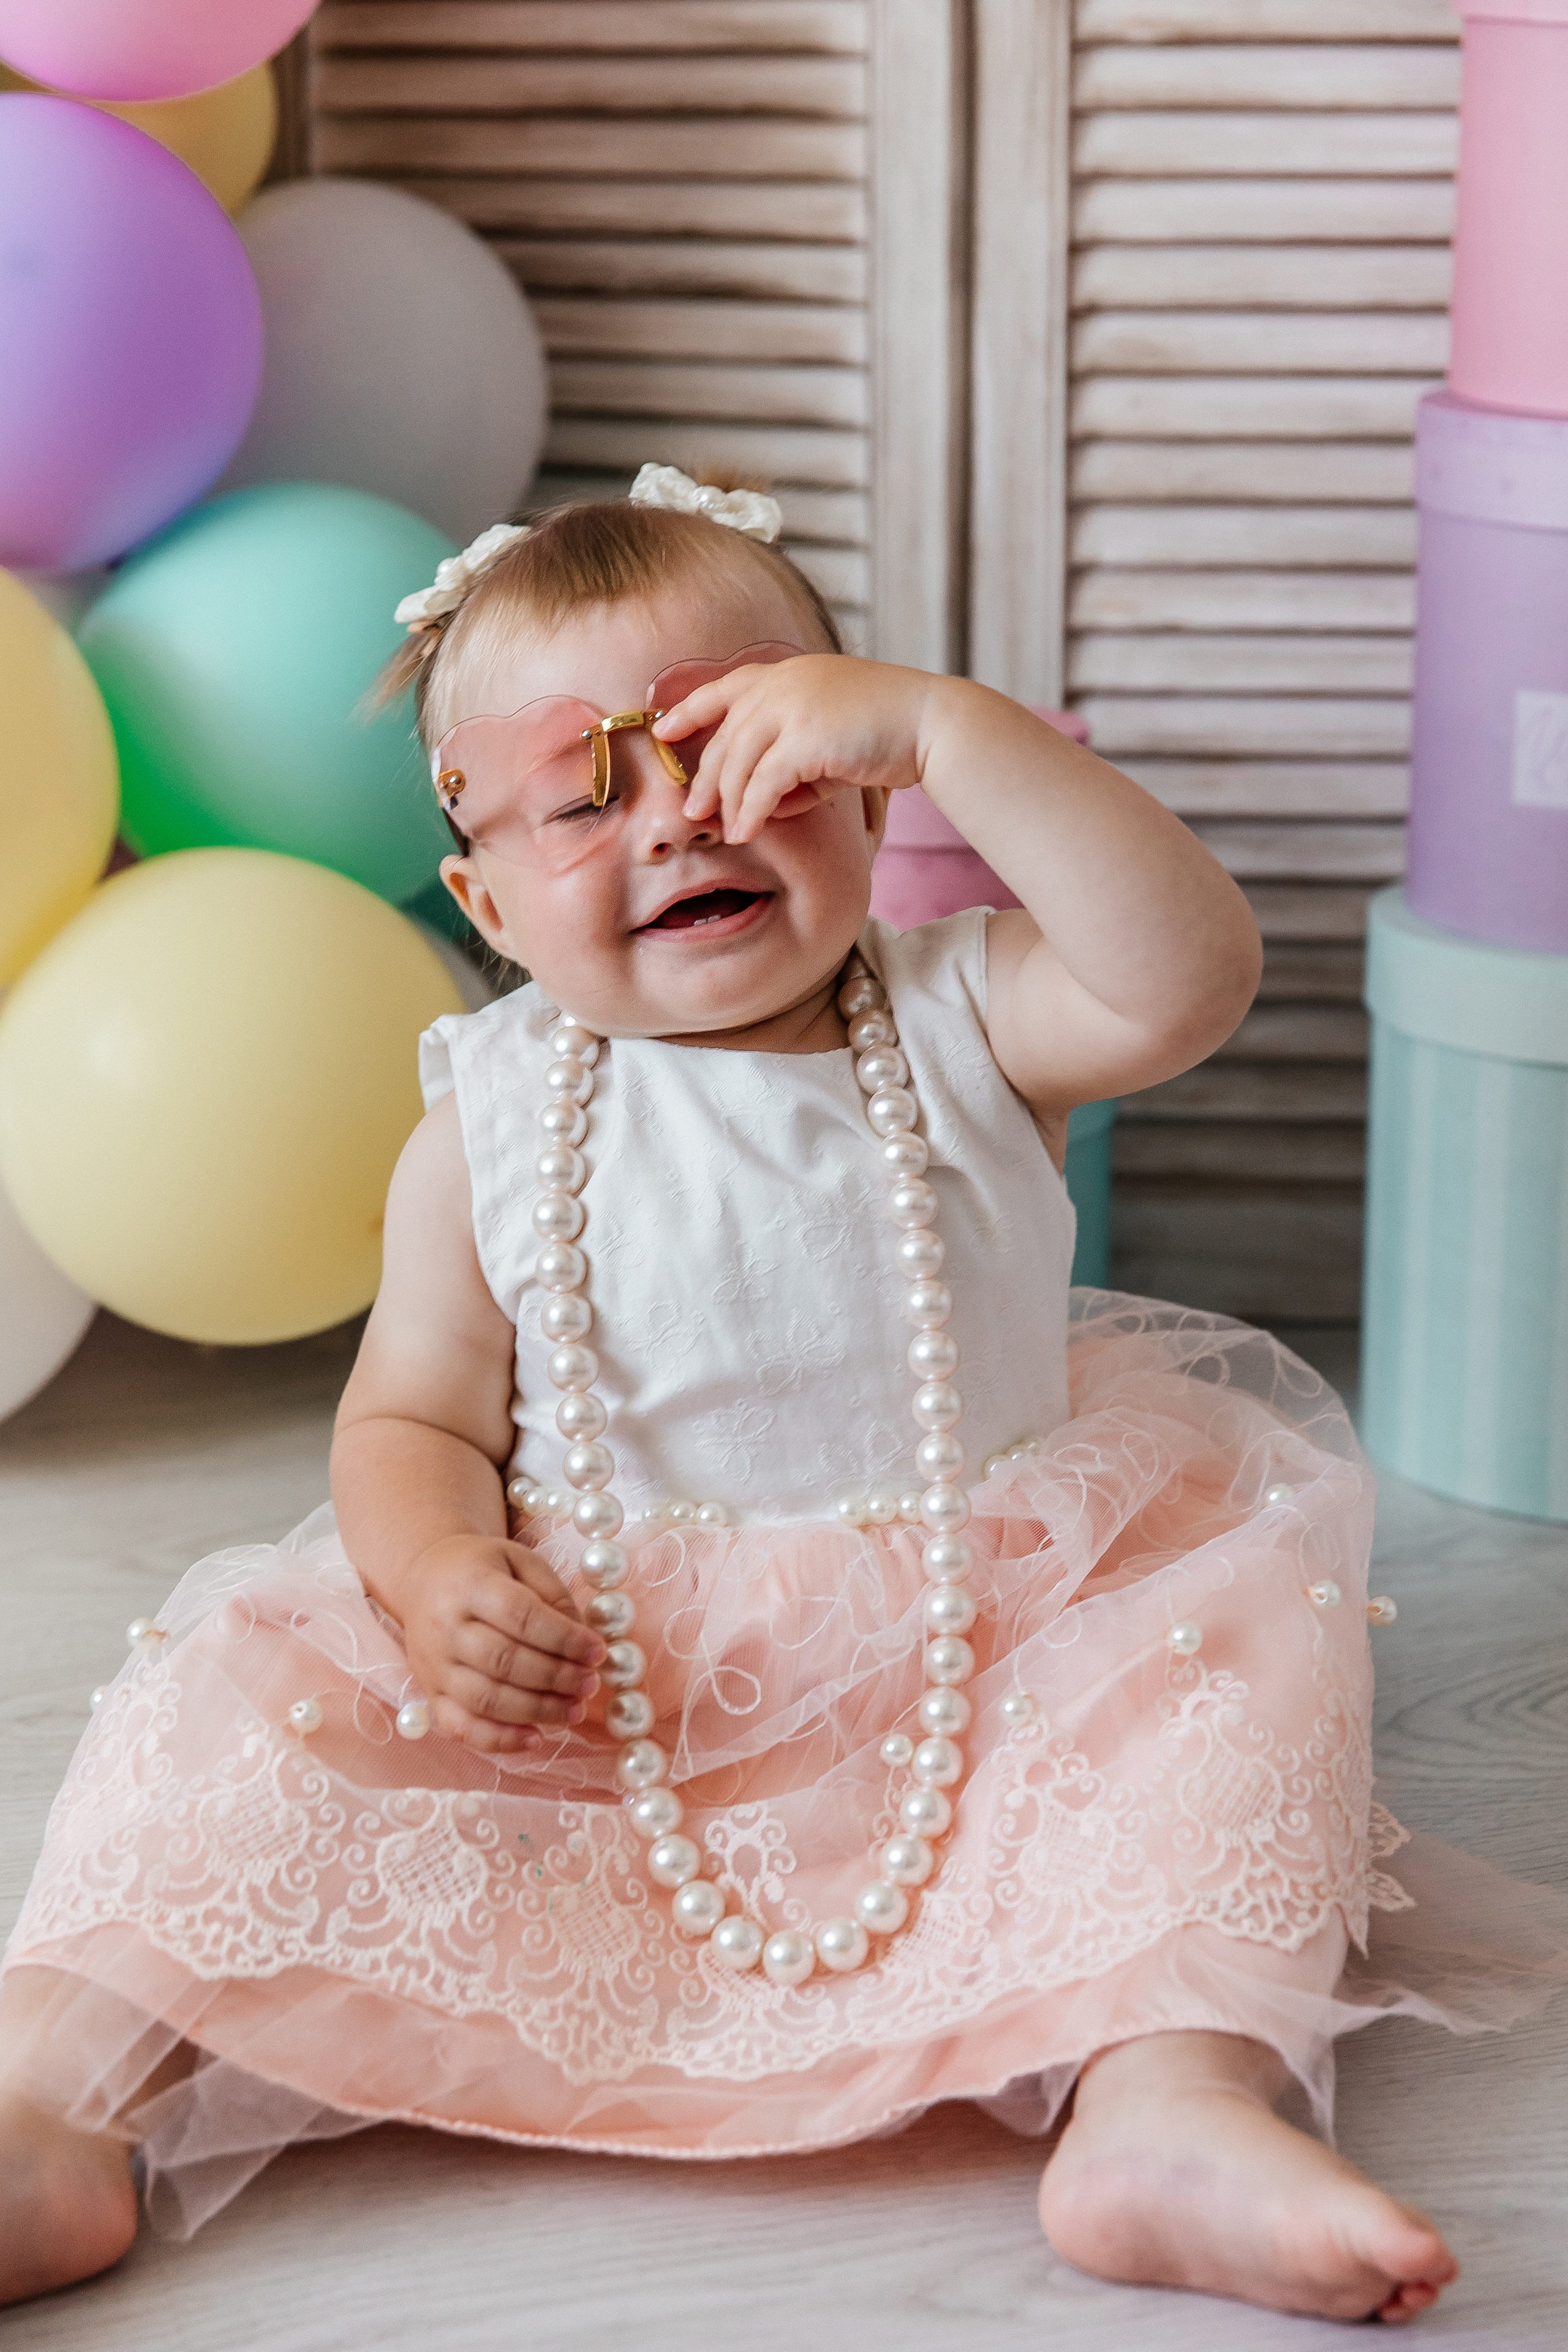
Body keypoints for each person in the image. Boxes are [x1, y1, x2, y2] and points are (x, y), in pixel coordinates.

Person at [2, 465, 1561, 2322]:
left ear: (869, 795)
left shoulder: (973, 1019)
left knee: (1229, 1658)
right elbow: (408, 1421)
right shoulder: (485, 1126)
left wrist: (952, 728)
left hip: (994, 1661)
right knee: (232, 1705)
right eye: (587, 793)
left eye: (747, 753)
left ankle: (1171, 2108)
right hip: (602, 1685)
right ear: (485, 898)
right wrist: (435, 1578)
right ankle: (50, 2109)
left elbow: (1191, 974)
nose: (680, 816)